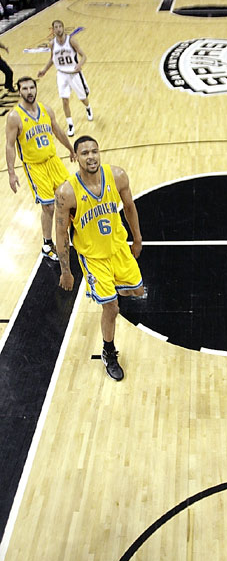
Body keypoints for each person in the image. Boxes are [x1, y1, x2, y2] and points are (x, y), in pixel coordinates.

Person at [54, 136, 144, 381]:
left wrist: (137, 238)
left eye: (94, 151)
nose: (91, 156)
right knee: (111, 307)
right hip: (93, 257)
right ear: (76, 157)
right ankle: (108, 351)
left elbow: (129, 208)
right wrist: (66, 270)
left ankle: (111, 293)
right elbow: (61, 233)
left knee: (137, 291)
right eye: (84, 153)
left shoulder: (117, 176)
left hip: (118, 248)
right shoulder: (66, 192)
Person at [5, 76, 75, 261]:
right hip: (35, 167)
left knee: (69, 196)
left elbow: (58, 131)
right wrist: (11, 173)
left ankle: (75, 233)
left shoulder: (46, 109)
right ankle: (47, 243)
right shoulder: (14, 116)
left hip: (53, 161)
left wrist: (70, 148)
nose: (29, 92)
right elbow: (10, 145)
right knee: (49, 206)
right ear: (19, 91)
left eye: (31, 88)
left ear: (36, 89)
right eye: (25, 89)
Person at [37, 20, 93, 138]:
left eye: (60, 27)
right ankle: (70, 125)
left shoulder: (71, 40)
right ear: (53, 30)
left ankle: (88, 108)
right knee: (65, 100)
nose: (58, 29)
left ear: (63, 28)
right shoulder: (52, 44)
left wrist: (79, 65)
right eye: (56, 27)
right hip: (62, 74)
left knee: (83, 98)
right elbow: (52, 59)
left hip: (74, 73)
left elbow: (84, 56)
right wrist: (44, 70)